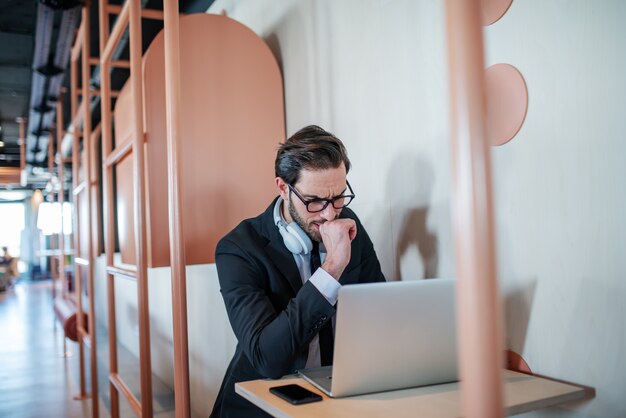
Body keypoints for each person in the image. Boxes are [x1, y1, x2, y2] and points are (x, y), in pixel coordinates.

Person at [210, 125, 386, 417]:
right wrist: (331, 269)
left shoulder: (349, 224)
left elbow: (381, 311)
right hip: (262, 402)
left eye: (339, 197)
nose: (330, 214)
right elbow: (267, 359)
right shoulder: (238, 249)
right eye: (315, 201)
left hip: (335, 396)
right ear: (283, 188)